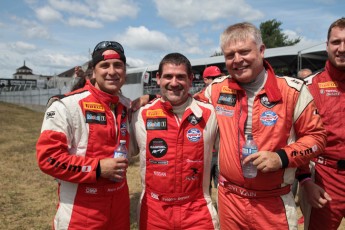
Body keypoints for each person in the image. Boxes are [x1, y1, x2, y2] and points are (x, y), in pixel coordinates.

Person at [194, 22, 327, 229]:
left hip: (272, 203)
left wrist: (281, 157)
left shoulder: (293, 91)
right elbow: (187, 106)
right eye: (230, 55)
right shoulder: (216, 90)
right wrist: (149, 99)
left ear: (262, 50)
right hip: (230, 200)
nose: (237, 60)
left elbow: (317, 139)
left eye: (244, 52)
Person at [36, 41, 131, 230]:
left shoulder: (125, 105)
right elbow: (48, 158)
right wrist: (97, 168)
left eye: (118, 65)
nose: (112, 71)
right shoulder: (66, 105)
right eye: (104, 65)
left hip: (120, 206)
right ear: (93, 72)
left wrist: (150, 98)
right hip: (81, 211)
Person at [129, 53, 220, 229]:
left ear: (191, 79)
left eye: (181, 77)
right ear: (158, 78)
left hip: (197, 209)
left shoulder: (210, 113)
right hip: (154, 210)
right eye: (168, 76)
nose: (174, 82)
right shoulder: (140, 114)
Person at [301, 17, 345, 230]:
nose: (342, 48)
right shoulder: (309, 87)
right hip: (325, 180)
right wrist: (305, 182)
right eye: (336, 42)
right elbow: (296, 139)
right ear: (327, 45)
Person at [196, 66, 223, 196]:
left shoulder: (226, 98)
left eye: (220, 77)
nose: (219, 80)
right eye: (215, 78)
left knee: (222, 187)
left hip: (221, 152)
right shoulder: (197, 99)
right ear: (206, 80)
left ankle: (221, 214)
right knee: (204, 188)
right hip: (204, 152)